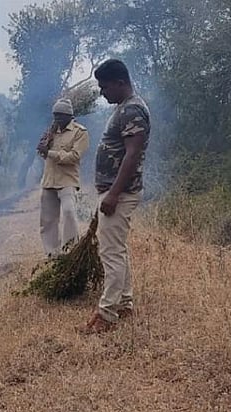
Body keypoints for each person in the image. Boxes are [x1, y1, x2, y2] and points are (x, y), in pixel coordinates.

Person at [79, 59, 151, 335]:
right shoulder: (125, 108)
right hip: (116, 192)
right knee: (116, 250)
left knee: (110, 254)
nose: (102, 92)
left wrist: (113, 194)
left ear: (120, 82)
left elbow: (132, 154)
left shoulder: (132, 110)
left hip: (120, 194)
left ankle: (107, 315)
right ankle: (125, 303)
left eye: (104, 86)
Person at [37, 98, 90, 257]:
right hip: (49, 181)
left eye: (60, 115)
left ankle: (70, 251)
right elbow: (43, 155)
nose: (57, 119)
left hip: (67, 181)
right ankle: (52, 255)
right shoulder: (51, 132)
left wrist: (50, 153)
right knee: (47, 220)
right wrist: (42, 148)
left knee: (69, 213)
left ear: (69, 116)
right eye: (55, 115)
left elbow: (74, 156)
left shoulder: (80, 132)